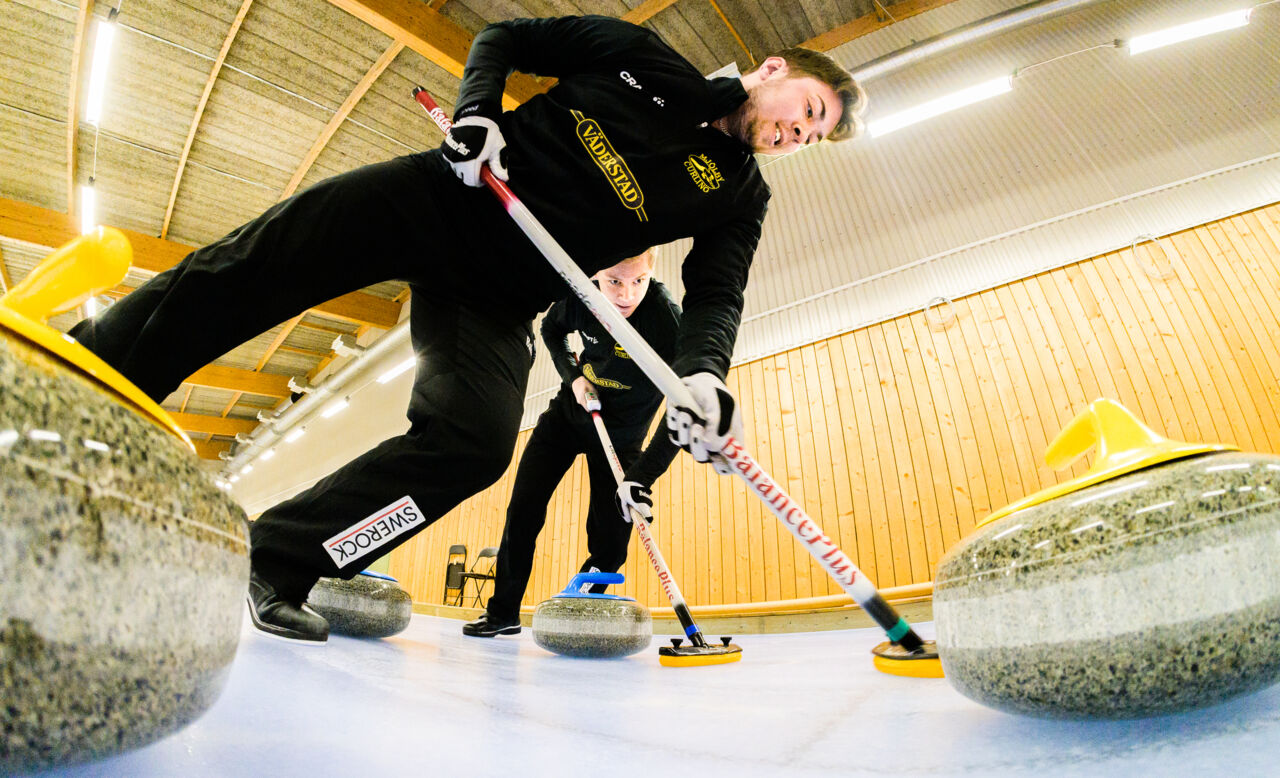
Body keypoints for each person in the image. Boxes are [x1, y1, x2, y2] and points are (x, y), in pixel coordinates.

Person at [68, 14, 867, 645]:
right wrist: (479, 114)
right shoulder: (640, 56)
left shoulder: (738, 196)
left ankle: (276, 558)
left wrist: (706, 376)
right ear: (772, 71)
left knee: (476, 444)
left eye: (812, 136)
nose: (800, 134)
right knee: (255, 264)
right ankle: (78, 378)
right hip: (443, 198)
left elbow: (715, 296)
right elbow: (505, 39)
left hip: (497, 295)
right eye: (809, 110)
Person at [463, 249, 680, 637]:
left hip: (623, 434)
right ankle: (503, 614)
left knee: (611, 542)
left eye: (638, 282)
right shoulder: (581, 298)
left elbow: (684, 409)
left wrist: (644, 476)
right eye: (614, 280)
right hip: (569, 416)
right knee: (524, 510)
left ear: (652, 273)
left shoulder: (666, 321)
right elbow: (551, 330)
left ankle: (577, 615)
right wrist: (573, 377)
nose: (626, 295)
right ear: (596, 273)